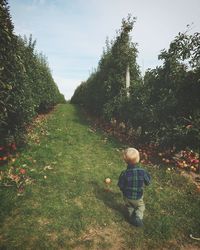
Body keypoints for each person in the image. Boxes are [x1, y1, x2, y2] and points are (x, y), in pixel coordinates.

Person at [118, 147, 151, 227]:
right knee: (141, 207)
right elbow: (148, 182)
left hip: (127, 196)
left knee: (129, 207)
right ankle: (138, 217)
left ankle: (131, 216)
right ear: (138, 159)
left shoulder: (124, 173)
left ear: (125, 160)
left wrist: (124, 191)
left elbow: (120, 185)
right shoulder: (142, 172)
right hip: (138, 196)